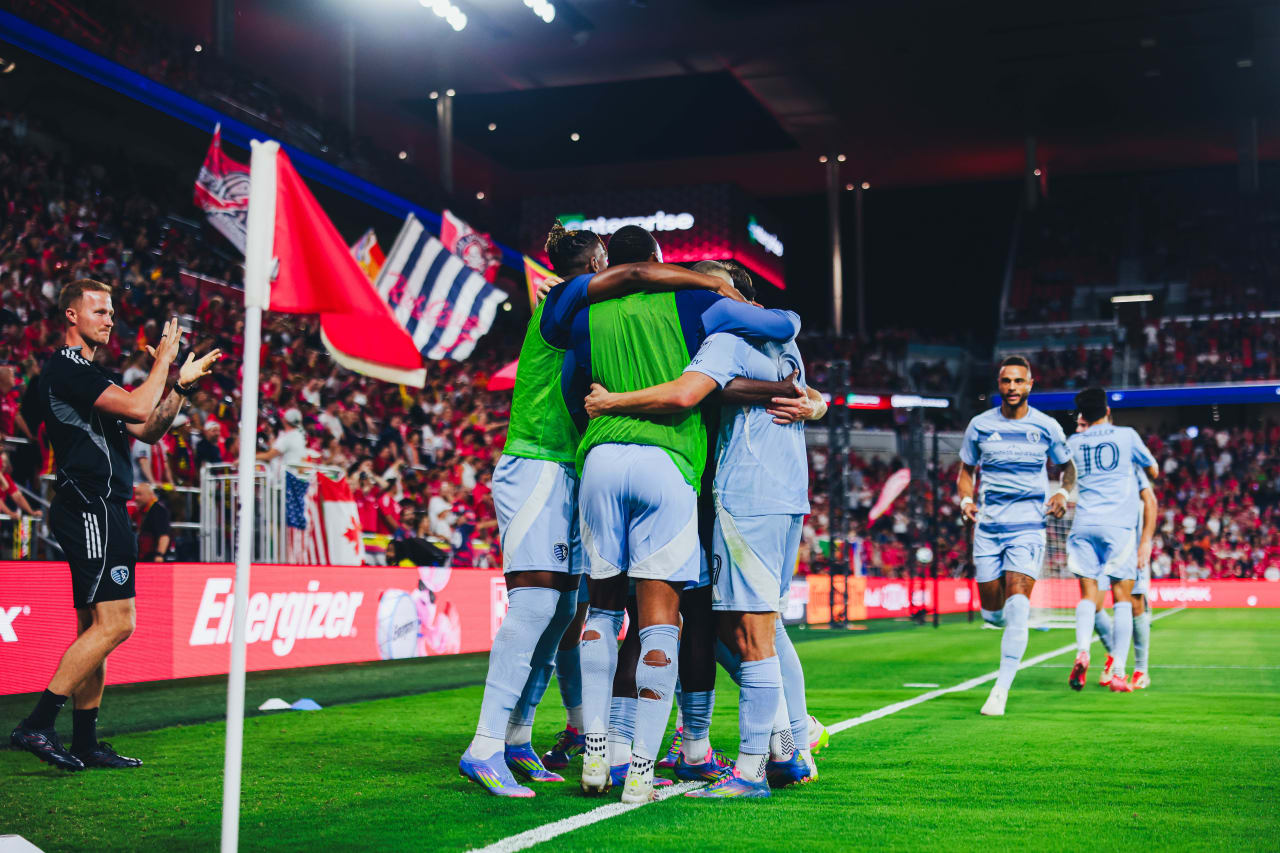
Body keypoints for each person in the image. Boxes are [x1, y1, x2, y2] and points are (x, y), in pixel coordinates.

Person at [458, 221, 744, 798]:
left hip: (575, 467)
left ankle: (516, 739)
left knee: (566, 612)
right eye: (601, 268)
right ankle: (483, 745)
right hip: (538, 460)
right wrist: (713, 285)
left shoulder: (586, 308)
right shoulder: (569, 295)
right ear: (595, 267)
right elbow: (637, 273)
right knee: (538, 604)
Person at [565, 227, 801, 802]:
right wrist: (805, 395)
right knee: (694, 619)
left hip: (652, 471)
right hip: (704, 482)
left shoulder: (600, 316)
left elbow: (678, 392)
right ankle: (710, 750)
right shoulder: (723, 325)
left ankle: (614, 744)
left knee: (621, 609)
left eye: (719, 294)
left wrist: (609, 405)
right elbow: (781, 343)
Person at [10, 279, 219, 771]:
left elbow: (149, 427)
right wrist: (164, 360)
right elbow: (140, 407)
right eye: (99, 310)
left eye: (110, 311)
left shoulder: (90, 374)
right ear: (71, 316)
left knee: (96, 627)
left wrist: (182, 388)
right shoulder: (67, 368)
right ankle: (37, 724)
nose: (109, 318)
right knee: (118, 622)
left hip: (103, 507)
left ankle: (84, 741)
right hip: (90, 506)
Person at [957, 355, 1074, 717]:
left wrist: (1062, 493)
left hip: (1028, 527)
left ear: (1030, 384)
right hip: (989, 528)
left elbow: (1068, 468)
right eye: (1006, 381)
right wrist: (965, 498)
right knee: (994, 612)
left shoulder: (1047, 427)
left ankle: (1000, 690)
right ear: (999, 384)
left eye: (1018, 381)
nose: (1012, 388)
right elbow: (965, 470)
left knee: (1019, 603)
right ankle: (998, 618)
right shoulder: (979, 426)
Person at [1063, 389, 1159, 691]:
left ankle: (1082, 650)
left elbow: (1065, 475)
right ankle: (1119, 668)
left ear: (1082, 416)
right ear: (1106, 409)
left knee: (1088, 597)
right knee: (1124, 599)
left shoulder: (1073, 442)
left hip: (1083, 524)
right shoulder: (1128, 437)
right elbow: (1153, 471)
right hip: (1119, 529)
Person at [1129, 464, 1158, 689]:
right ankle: (1115, 659)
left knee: (1135, 604)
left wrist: (1144, 542)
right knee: (1095, 605)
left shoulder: (1142, 501)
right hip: (1114, 550)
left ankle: (1139, 669)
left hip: (1132, 555)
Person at [133, 482, 172, 564]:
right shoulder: (142, 510)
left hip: (154, 558)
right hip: (145, 557)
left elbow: (164, 535)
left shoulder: (158, 510)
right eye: (135, 495)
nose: (136, 498)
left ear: (150, 495)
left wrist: (159, 555)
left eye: (139, 495)